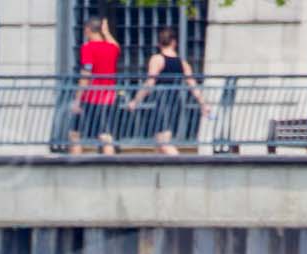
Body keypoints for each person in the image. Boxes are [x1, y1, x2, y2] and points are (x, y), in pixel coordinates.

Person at [128, 28, 208, 155]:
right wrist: (203, 104)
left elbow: (150, 82)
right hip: (176, 101)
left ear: (159, 43)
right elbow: (193, 85)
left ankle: (183, 165)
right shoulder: (182, 63)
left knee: (164, 143)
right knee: (160, 142)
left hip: (163, 101)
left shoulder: (157, 59)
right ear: (174, 42)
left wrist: (136, 100)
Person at [71, 17, 121, 155]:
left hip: (91, 98)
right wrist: (106, 33)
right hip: (109, 98)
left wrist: (77, 100)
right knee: (106, 136)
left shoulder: (87, 48)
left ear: (87, 29)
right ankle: (110, 169)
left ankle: (75, 167)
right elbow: (117, 47)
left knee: (75, 135)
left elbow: (86, 74)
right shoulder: (111, 48)